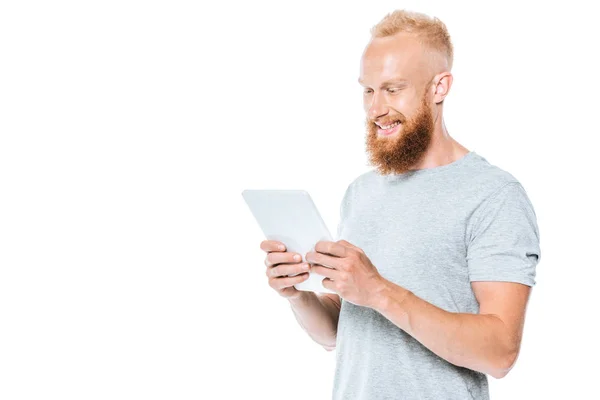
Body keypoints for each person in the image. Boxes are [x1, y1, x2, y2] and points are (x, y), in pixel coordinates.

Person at [260, 9, 541, 400]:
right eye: (368, 90)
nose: (375, 109)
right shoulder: (360, 193)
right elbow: (340, 335)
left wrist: (378, 291)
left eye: (393, 89)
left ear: (439, 87)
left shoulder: (493, 195)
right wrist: (298, 294)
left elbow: (500, 352)